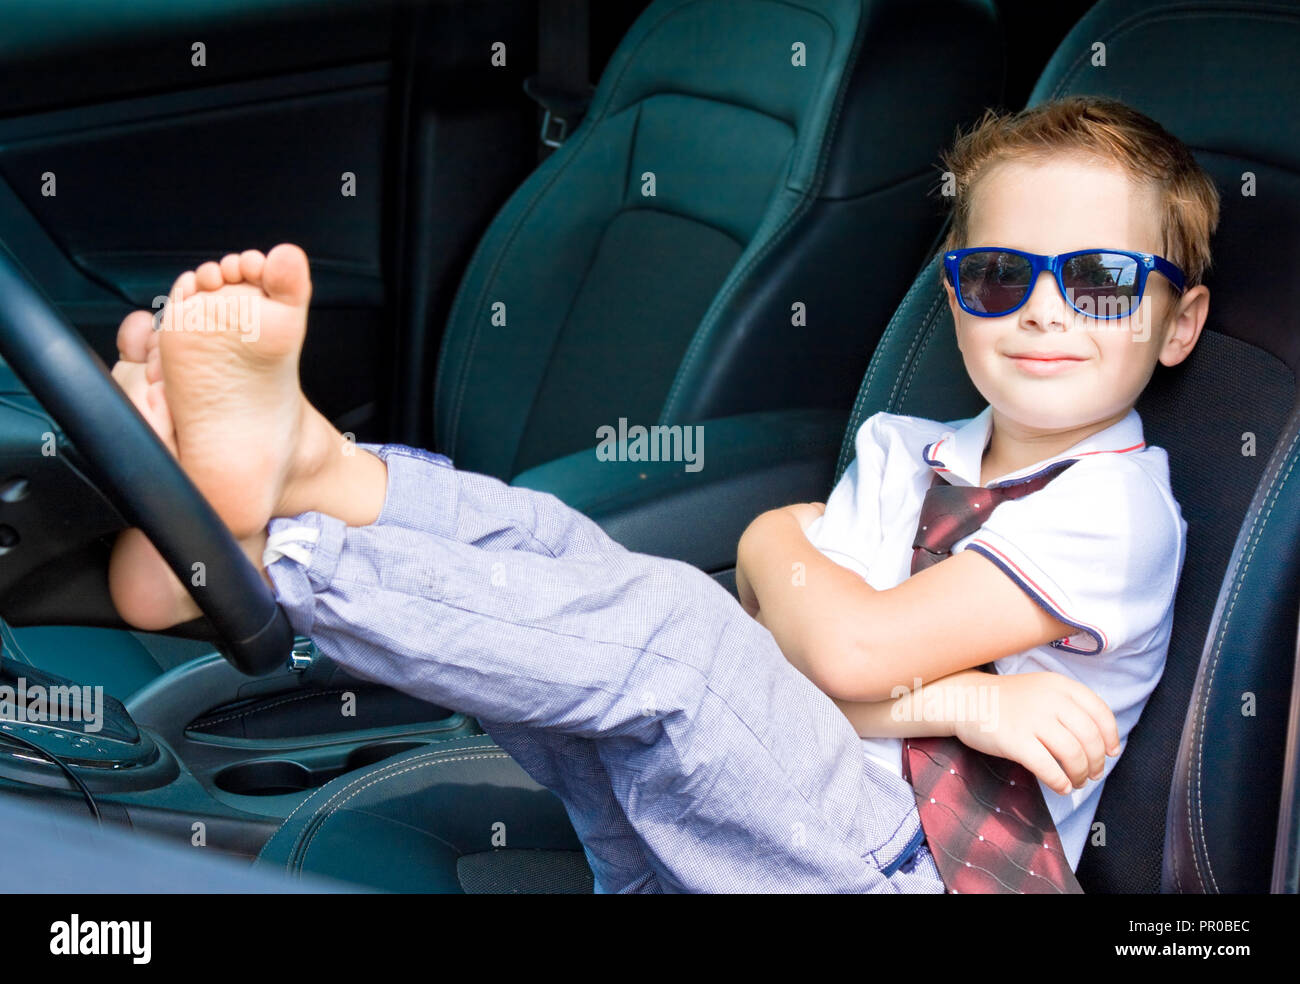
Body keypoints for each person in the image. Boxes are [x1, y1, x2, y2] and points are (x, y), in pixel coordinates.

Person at [105, 95, 1217, 893]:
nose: (1040, 311)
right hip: (730, 839)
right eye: (996, 275)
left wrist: (782, 555)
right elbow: (794, 659)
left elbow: (844, 654)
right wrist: (953, 696)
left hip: (900, 867)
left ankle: (268, 568)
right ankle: (315, 476)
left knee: (674, 636)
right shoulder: (901, 449)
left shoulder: (1114, 516)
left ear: (1180, 324)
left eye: (1101, 281)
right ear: (953, 295)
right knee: (565, 548)